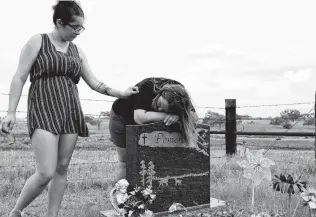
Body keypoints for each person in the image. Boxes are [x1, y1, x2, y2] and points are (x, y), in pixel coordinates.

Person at [0, 1, 139, 217]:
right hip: (43, 110)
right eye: (74, 27)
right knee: (46, 171)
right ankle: (16, 211)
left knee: (62, 168)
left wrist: (122, 93)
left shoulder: (77, 51)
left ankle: (52, 215)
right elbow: (19, 77)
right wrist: (10, 112)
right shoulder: (38, 41)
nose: (78, 32)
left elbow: (95, 83)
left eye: (81, 28)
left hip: (69, 111)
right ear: (59, 22)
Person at [109, 77, 198, 182]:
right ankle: (116, 194)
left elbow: (194, 118)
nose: (158, 109)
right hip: (122, 117)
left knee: (147, 161)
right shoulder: (147, 86)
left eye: (165, 110)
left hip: (145, 124)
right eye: (160, 104)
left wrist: (179, 115)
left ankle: (139, 194)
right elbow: (139, 118)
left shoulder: (180, 95)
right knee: (125, 162)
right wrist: (169, 115)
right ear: (160, 93)